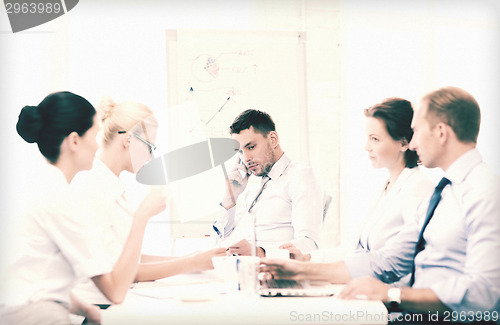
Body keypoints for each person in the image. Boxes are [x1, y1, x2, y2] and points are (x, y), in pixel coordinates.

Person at [261, 87, 500, 320]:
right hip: (414, 314)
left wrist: (392, 295)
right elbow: (389, 260)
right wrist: (300, 270)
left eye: (416, 131)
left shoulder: (485, 192)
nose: (413, 143)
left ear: (440, 132)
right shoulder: (446, 192)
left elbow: (483, 294)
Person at [0, 91, 166, 324]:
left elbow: (41, 278)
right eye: (94, 135)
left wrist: (85, 309)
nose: (98, 145)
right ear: (74, 141)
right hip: (37, 316)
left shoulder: (47, 186)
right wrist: (143, 215)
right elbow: (116, 291)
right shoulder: (62, 198)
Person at [71, 97, 226, 307]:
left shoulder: (112, 186)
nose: (151, 158)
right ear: (127, 140)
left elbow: (129, 258)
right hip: (95, 309)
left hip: (112, 303)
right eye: (149, 147)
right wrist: (190, 263)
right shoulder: (91, 189)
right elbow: (125, 271)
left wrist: (192, 258)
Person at [282, 98, 434, 273]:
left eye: (375, 139)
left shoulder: (418, 188)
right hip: (367, 285)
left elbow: (406, 261)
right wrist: (306, 258)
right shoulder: (384, 188)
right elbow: (355, 251)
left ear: (404, 143)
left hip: (389, 293)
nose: (366, 147)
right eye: (368, 138)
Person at [212, 109, 325, 257]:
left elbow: (310, 244)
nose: (246, 158)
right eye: (240, 152)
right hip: (242, 272)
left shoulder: (301, 177)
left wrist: (261, 253)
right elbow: (220, 244)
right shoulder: (249, 188)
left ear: (273, 139)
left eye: (251, 147)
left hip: (276, 275)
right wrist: (229, 199)